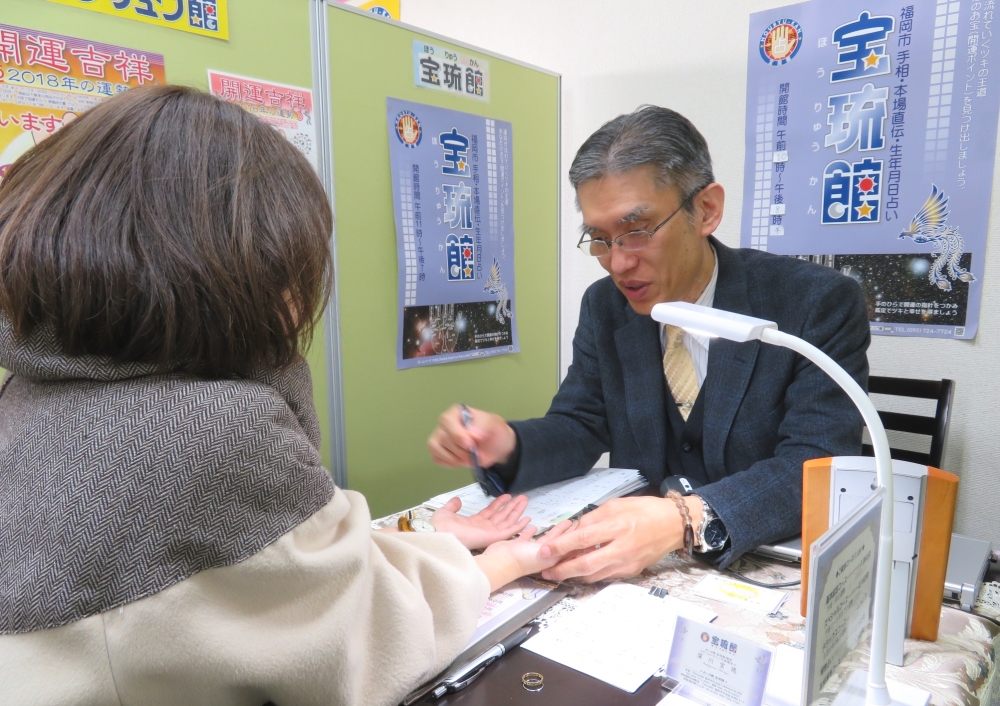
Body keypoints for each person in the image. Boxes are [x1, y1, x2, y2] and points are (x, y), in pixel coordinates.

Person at [0, 85, 571, 706]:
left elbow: (251, 580)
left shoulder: (26, 394)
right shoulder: (212, 427)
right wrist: (509, 560)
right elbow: (360, 642)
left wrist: (438, 539)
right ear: (250, 262)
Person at [429, 105, 870, 581]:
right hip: (639, 571)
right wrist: (509, 444)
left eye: (636, 232)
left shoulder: (812, 301)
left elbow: (817, 464)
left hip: (763, 563)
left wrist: (686, 518)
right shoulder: (606, 305)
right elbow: (581, 423)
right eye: (600, 238)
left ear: (706, 210)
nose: (618, 264)